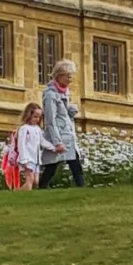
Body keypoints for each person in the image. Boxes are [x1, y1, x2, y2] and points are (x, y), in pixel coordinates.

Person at [40, 59, 85, 188]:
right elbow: (50, 120)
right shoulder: (50, 94)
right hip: (59, 135)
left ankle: (81, 187)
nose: (70, 79)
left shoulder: (64, 92)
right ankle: (42, 186)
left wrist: (70, 111)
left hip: (67, 135)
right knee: (52, 166)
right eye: (68, 76)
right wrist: (57, 141)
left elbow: (62, 115)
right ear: (59, 76)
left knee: (74, 163)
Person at [12, 100, 55, 191]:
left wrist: (54, 148)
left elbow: (42, 141)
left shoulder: (37, 129)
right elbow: (21, 144)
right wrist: (24, 160)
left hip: (36, 159)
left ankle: (18, 192)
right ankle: (22, 196)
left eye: (39, 117)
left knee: (35, 181)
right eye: (35, 117)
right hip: (27, 158)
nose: (37, 119)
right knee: (30, 180)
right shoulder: (24, 129)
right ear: (29, 115)